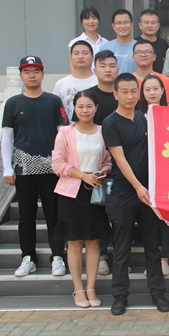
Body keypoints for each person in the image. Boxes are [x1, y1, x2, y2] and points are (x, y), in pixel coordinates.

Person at [102, 73, 169, 315]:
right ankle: (120, 296)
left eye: (134, 91)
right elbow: (119, 160)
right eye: (125, 92)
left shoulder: (144, 118)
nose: (130, 96)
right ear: (116, 94)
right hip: (123, 194)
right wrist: (138, 187)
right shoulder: (110, 122)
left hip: (148, 193)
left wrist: (150, 187)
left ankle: (158, 293)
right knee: (122, 249)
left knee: (153, 246)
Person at [1, 56, 68, 278]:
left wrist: (63, 164)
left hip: (51, 169)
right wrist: (7, 168)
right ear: (21, 75)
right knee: (26, 216)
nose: (32, 75)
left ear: (42, 74)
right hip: (23, 169)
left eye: (36, 71)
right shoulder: (13, 103)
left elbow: (62, 133)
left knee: (53, 215)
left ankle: (57, 256)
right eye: (27, 71)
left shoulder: (53, 101)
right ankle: (28, 257)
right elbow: (7, 136)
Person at [52, 91, 112, 308]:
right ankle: (78, 289)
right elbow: (57, 164)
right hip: (72, 193)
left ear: (96, 108)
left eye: (89, 106)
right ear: (74, 109)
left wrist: (105, 168)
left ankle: (91, 288)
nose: (85, 110)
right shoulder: (65, 133)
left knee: (94, 242)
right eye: (80, 106)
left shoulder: (103, 132)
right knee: (75, 242)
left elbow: (108, 159)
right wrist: (82, 175)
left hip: (95, 192)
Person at [74, 49, 119, 276]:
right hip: (95, 166)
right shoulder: (89, 97)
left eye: (112, 65)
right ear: (95, 69)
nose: (107, 70)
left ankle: (120, 257)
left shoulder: (122, 93)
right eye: (103, 65)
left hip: (122, 164)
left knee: (118, 214)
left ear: (118, 69)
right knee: (98, 213)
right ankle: (101, 256)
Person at [136, 73, 169, 276]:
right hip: (143, 172)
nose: (152, 93)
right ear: (142, 93)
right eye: (147, 89)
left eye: (155, 89)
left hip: (167, 172)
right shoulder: (136, 117)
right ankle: (151, 259)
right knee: (148, 218)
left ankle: (164, 259)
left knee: (166, 216)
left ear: (162, 91)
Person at [54, 40, 98, 120]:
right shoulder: (61, 84)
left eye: (85, 53)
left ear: (92, 58)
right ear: (71, 57)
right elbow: (55, 111)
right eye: (76, 53)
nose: (80, 56)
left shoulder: (99, 82)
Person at [130, 39, 169, 105]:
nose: (143, 55)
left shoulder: (165, 80)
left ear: (154, 57)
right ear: (133, 57)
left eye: (147, 52)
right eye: (139, 52)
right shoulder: (128, 80)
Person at [100, 9, 137, 74]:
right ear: (113, 26)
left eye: (126, 22)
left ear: (132, 24)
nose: (122, 26)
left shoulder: (139, 48)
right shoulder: (105, 48)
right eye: (119, 23)